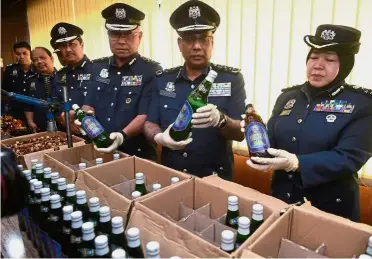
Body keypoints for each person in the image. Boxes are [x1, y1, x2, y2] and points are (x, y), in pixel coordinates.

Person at [243, 24, 372, 222]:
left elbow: (349, 158)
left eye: (329, 59)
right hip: (282, 199)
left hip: (329, 209)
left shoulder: (362, 104)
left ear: (345, 64)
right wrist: (255, 135)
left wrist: (297, 163)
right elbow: (273, 140)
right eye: (313, 57)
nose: (318, 65)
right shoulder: (288, 97)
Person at [144, 0, 246, 180]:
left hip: (215, 180)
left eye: (204, 39)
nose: (197, 46)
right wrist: (160, 138)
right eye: (190, 39)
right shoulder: (162, 80)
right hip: (172, 177)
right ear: (179, 44)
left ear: (212, 42)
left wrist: (220, 120)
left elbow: (240, 133)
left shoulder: (231, 79)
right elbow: (150, 122)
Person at [79, 3, 162, 160]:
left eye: (129, 35)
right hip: (100, 150)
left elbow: (145, 114)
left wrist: (122, 136)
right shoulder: (96, 67)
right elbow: (88, 105)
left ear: (140, 37)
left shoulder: (151, 70)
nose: (122, 41)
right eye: (116, 34)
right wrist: (83, 118)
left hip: (137, 154)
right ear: (108, 36)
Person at [50, 22, 94, 135]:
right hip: (68, 134)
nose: (68, 50)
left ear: (81, 44)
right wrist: (62, 119)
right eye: (63, 46)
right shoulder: (59, 75)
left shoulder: (98, 70)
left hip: (94, 133)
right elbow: (55, 102)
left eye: (72, 44)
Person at [24, 47, 58, 132]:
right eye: (35, 60)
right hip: (40, 128)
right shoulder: (31, 81)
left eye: (42, 58)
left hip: (62, 128)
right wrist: (30, 121)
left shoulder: (63, 78)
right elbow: (28, 105)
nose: (39, 62)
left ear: (51, 58)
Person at [2, 42, 35, 122]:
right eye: (18, 54)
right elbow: (4, 91)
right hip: (15, 113)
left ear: (30, 53)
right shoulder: (10, 70)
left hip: (35, 112)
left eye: (25, 53)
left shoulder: (38, 69)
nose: (21, 56)